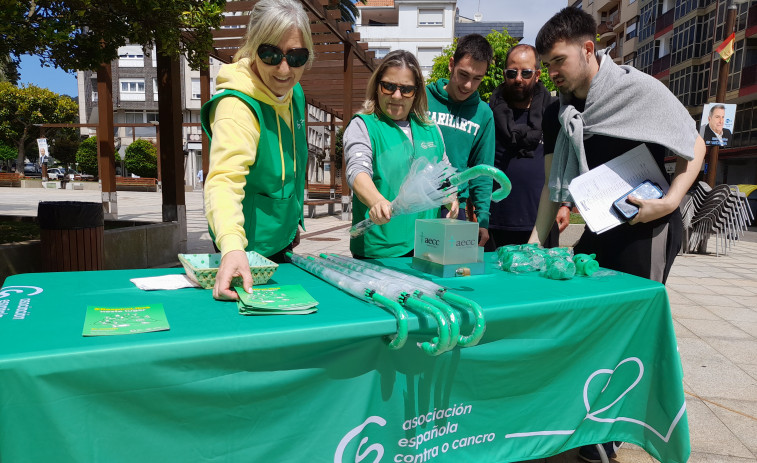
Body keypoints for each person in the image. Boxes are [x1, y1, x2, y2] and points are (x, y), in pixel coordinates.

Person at [531, 7, 705, 462]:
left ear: (588, 49)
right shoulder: (559, 111)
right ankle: (589, 417)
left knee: (630, 330)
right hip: (601, 228)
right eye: (546, 64)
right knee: (588, 324)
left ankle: (611, 435)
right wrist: (535, 240)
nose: (551, 73)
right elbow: (553, 186)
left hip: (649, 229)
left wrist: (669, 203)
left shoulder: (639, 91)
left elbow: (694, 146)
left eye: (557, 61)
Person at [200, 0, 313, 300]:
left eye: (296, 56)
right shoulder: (236, 107)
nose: (284, 69)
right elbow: (223, 181)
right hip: (242, 249)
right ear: (253, 48)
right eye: (270, 54)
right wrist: (232, 246)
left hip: (281, 242)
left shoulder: (295, 93)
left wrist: (291, 222)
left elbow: (292, 163)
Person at [344, 49, 458, 259]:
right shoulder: (364, 125)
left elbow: (444, 174)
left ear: (416, 92)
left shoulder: (431, 128)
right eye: (388, 86)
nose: (397, 96)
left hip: (427, 248)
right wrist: (376, 201)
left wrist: (451, 198)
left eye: (406, 89)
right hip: (380, 252)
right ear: (377, 86)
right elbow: (357, 171)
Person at [486, 44, 568, 250]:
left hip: (542, 223)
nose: (518, 78)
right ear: (504, 73)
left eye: (526, 72)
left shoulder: (555, 111)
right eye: (512, 72)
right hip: (496, 222)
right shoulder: (488, 113)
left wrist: (566, 204)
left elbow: (566, 160)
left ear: (538, 74)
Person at [425, 34, 495, 247]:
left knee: (450, 277)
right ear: (451, 64)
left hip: (454, 209)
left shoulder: (483, 114)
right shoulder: (422, 98)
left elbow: (483, 170)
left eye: (477, 78)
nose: (468, 85)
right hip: (417, 203)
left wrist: (483, 218)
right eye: (463, 74)